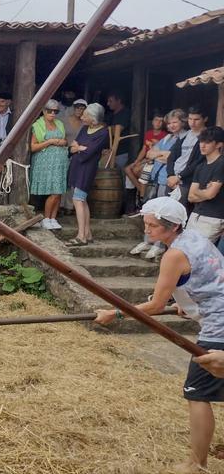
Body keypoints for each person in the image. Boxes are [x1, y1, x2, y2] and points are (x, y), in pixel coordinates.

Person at [95, 196, 224, 474]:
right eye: (146, 224)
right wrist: (187, 304)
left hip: (219, 326)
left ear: (173, 227)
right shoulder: (195, 239)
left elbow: (155, 305)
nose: (147, 230)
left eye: (153, 226)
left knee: (197, 392)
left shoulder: (174, 255)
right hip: (216, 314)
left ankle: (197, 464)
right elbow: (206, 277)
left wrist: (114, 314)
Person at [131, 109, 187, 259]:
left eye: (175, 122)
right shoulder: (168, 137)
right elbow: (150, 153)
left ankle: (159, 244)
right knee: (150, 212)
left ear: (183, 122)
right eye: (169, 123)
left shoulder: (185, 138)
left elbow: (174, 157)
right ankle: (148, 241)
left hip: (168, 179)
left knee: (162, 215)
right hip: (156, 177)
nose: (172, 125)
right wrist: (161, 155)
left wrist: (161, 154)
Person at [65, 103, 109, 246]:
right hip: (77, 166)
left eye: (85, 116)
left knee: (78, 200)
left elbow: (90, 152)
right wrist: (79, 148)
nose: (82, 117)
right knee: (82, 200)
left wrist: (81, 148)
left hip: (87, 168)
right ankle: (88, 234)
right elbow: (73, 146)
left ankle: (81, 236)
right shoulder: (84, 129)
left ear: (93, 118)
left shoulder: (103, 132)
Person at [30, 100, 69, 230]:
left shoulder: (60, 124)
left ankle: (53, 218)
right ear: (44, 111)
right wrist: (50, 141)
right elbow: (33, 147)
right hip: (45, 163)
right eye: (50, 110)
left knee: (59, 192)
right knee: (54, 192)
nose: (53, 113)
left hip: (59, 163)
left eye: (55, 111)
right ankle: (46, 218)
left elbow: (65, 141)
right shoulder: (38, 125)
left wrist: (62, 142)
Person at [186, 127, 224, 243]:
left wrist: (199, 191)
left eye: (207, 142)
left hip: (214, 216)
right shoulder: (200, 167)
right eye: (201, 142)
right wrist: (204, 192)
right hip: (196, 213)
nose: (202, 145)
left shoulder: (221, 164)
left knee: (200, 251)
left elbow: (210, 195)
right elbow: (190, 197)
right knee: (186, 249)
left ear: (219, 144)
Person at [167, 107, 209, 211]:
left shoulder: (207, 136)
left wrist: (180, 176)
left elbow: (199, 162)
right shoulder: (185, 135)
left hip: (187, 180)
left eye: (196, 119)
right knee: (167, 210)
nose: (192, 123)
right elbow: (171, 157)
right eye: (190, 119)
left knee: (180, 212)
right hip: (173, 178)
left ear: (205, 119)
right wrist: (170, 174)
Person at [126, 111, 167, 200]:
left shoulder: (164, 135)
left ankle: (142, 195)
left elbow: (163, 153)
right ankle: (141, 191)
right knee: (128, 169)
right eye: (156, 120)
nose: (158, 123)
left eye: (161, 121)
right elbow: (144, 149)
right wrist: (137, 160)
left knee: (137, 170)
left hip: (154, 161)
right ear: (152, 121)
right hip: (145, 159)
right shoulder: (148, 133)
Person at [106, 92, 135, 214]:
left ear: (119, 101)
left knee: (121, 181)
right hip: (112, 152)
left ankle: (122, 208)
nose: (108, 104)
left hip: (122, 151)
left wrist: (104, 129)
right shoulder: (113, 115)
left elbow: (116, 130)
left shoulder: (125, 113)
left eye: (111, 101)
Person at [60, 98, 88, 215]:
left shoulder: (85, 124)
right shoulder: (64, 120)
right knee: (63, 179)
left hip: (79, 154)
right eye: (77, 107)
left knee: (74, 180)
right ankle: (61, 205)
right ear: (73, 107)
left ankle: (70, 206)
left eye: (82, 108)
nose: (79, 110)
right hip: (64, 152)